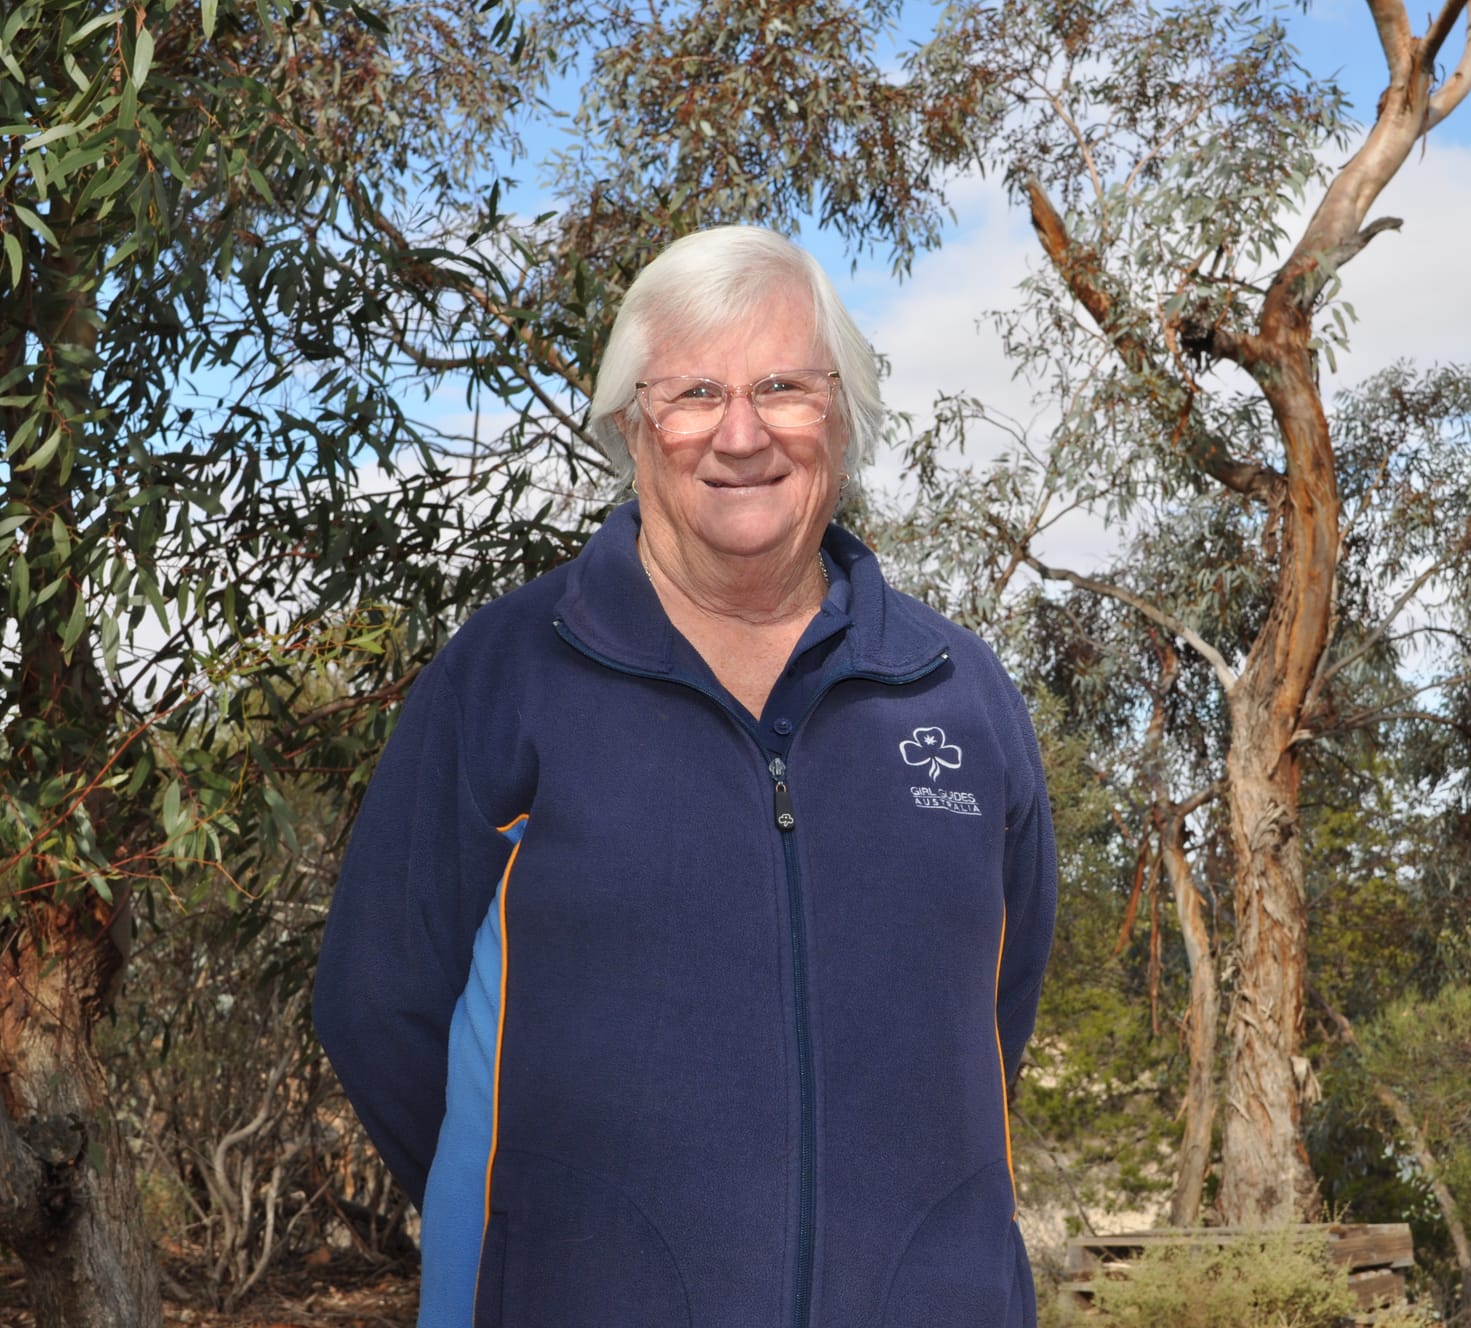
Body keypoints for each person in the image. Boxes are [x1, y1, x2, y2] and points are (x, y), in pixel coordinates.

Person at [313, 225, 1058, 1328]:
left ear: (842, 419)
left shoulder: (959, 694)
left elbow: (993, 1007)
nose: (743, 431)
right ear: (632, 425)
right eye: (696, 391)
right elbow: (377, 999)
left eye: (785, 386)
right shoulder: (510, 672)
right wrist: (540, 1228)